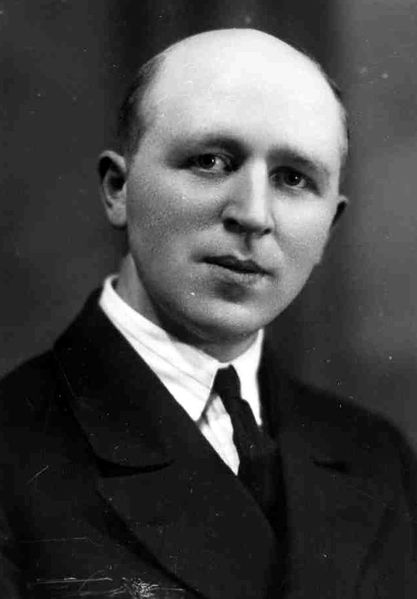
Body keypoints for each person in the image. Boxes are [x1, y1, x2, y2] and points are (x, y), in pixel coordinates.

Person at [0, 28, 416, 599]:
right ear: (118, 189)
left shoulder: (377, 458)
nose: (254, 214)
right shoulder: (13, 452)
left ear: (329, 228)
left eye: (294, 178)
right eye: (211, 161)